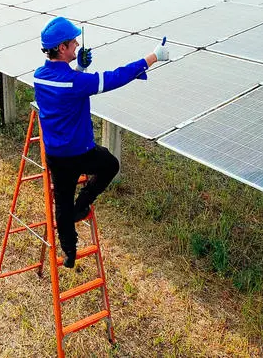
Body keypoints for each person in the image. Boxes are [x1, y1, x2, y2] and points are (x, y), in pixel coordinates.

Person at [33, 16, 169, 268]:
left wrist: (80, 69)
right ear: (61, 48)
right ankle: (83, 203)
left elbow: (66, 88)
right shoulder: (75, 82)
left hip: (55, 154)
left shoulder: (40, 76)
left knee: (61, 201)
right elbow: (115, 78)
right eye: (72, 42)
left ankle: (69, 252)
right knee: (110, 165)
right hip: (81, 153)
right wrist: (152, 57)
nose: (77, 45)